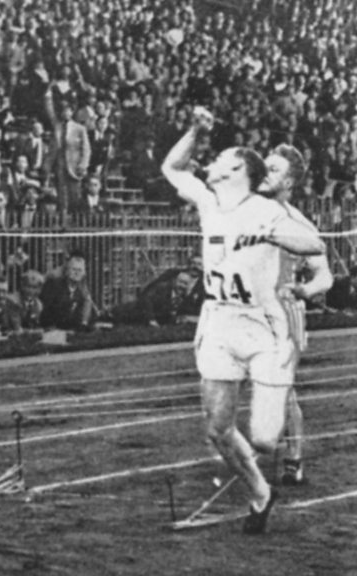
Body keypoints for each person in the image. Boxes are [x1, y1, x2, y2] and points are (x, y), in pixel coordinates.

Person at [161, 107, 325, 534]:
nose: (212, 163)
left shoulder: (267, 211)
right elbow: (172, 168)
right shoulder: (209, 201)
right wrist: (196, 131)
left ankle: (281, 457)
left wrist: (271, 234)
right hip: (219, 321)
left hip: (262, 324)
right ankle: (260, 492)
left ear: (238, 172)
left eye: (221, 159)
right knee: (218, 429)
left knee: (266, 438)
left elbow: (313, 244)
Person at [259, 144, 334, 487]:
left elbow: (324, 275)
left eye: (273, 169)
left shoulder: (298, 224)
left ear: (289, 182)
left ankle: (294, 459)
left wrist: (305, 290)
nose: (264, 173)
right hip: (246, 309)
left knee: (281, 389)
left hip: (283, 310)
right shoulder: (244, 212)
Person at [39, 251, 95, 331]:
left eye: (80, 270)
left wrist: (84, 322)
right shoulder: (54, 279)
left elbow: (87, 299)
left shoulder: (80, 281)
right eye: (74, 269)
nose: (77, 273)